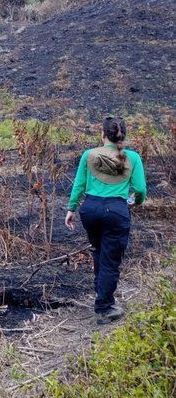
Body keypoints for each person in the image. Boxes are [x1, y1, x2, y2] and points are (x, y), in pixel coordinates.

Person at [65, 117, 147, 325]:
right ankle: (104, 306)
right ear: (124, 136)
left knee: (100, 252)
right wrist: (133, 202)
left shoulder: (89, 155)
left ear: (102, 134)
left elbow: (79, 185)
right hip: (116, 210)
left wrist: (71, 209)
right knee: (110, 258)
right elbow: (140, 191)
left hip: (90, 209)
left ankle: (103, 296)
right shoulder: (133, 158)